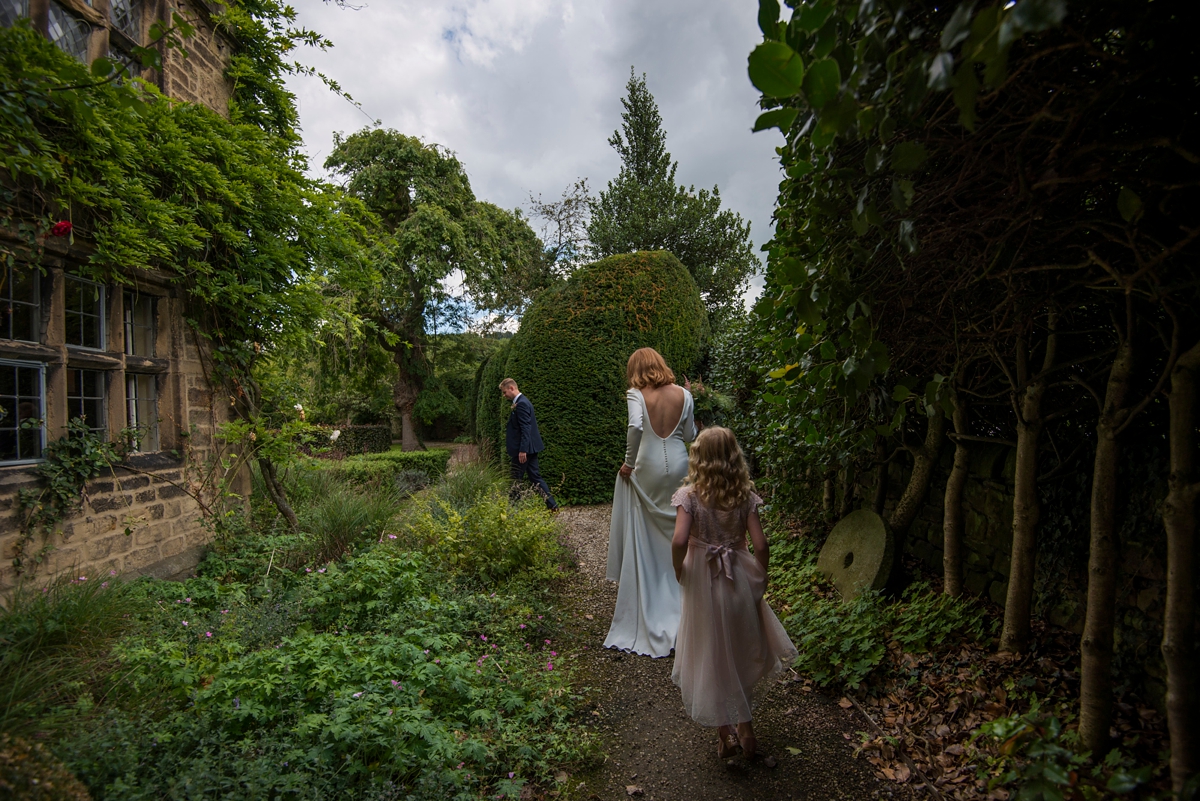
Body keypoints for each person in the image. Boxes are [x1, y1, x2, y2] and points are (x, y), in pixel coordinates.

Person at [670, 427, 798, 760]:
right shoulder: (744, 497)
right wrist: (760, 577)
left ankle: (723, 733)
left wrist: (680, 569)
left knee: (711, 652)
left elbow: (679, 541)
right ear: (733, 457)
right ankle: (746, 726)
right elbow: (761, 545)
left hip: (704, 583)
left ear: (699, 458)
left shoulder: (689, 497)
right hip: (738, 579)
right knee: (741, 651)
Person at [604, 348, 696, 657]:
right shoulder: (684, 393)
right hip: (680, 465)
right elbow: (690, 434)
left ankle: (652, 600)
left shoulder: (635, 393)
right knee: (681, 529)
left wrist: (629, 463)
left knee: (646, 533)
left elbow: (636, 427)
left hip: (648, 466)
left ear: (636, 369)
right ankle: (687, 601)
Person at [500, 378, 558, 511]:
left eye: (504, 392)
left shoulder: (521, 404)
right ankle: (552, 505)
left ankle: (513, 508)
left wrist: (522, 450)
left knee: (515, 477)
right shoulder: (522, 402)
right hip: (529, 448)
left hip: (524, 449)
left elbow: (526, 428)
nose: (504, 396)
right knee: (534, 477)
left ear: (511, 388)